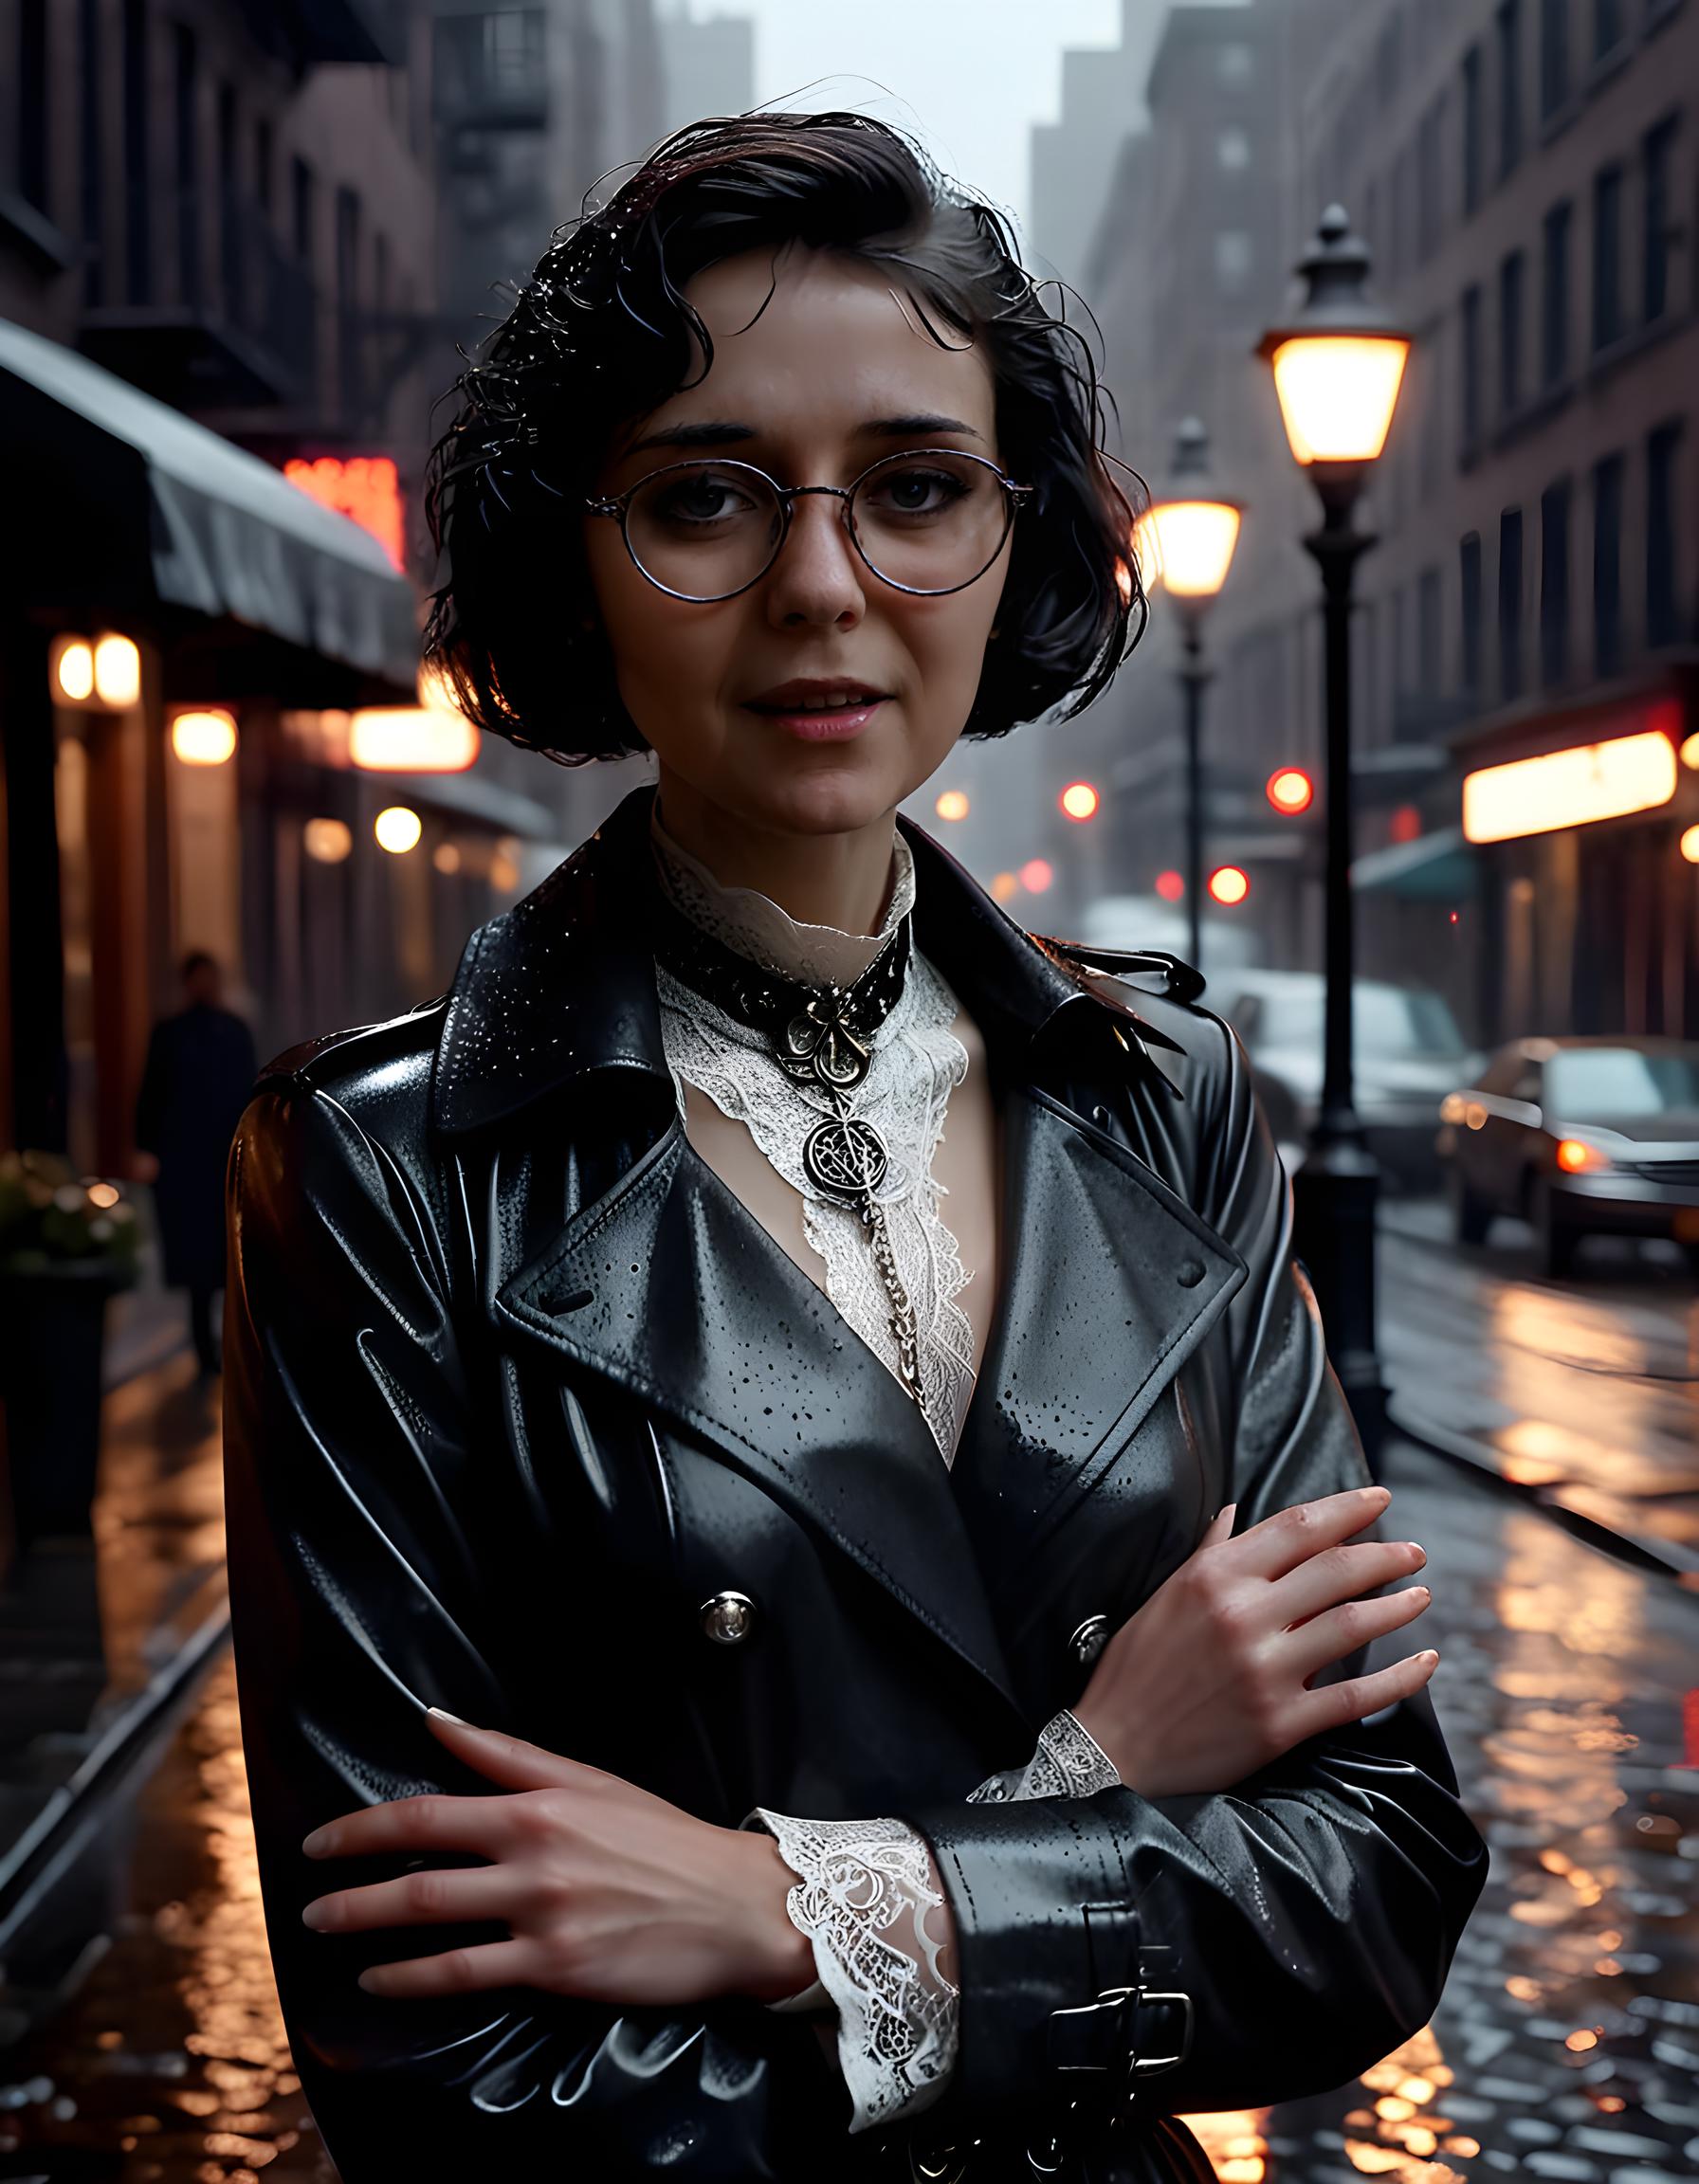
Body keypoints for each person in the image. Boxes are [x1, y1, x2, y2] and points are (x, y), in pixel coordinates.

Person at [221, 112, 1489, 2184]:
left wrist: (771, 1909)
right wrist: (1102, 1773)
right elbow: (452, 2095)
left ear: (1013, 542)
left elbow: (1364, 1884)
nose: (821, 585)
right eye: (706, 499)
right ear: (584, 558)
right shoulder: (380, 1170)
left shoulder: (1158, 1092)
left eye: (912, 489)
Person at [134, 949, 257, 1378]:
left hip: (220, 1159)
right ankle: (207, 1351)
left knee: (225, 1259)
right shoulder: (170, 1035)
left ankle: (225, 1348)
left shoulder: (234, 1032)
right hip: (187, 1165)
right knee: (198, 1265)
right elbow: (151, 1096)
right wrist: (146, 1149)